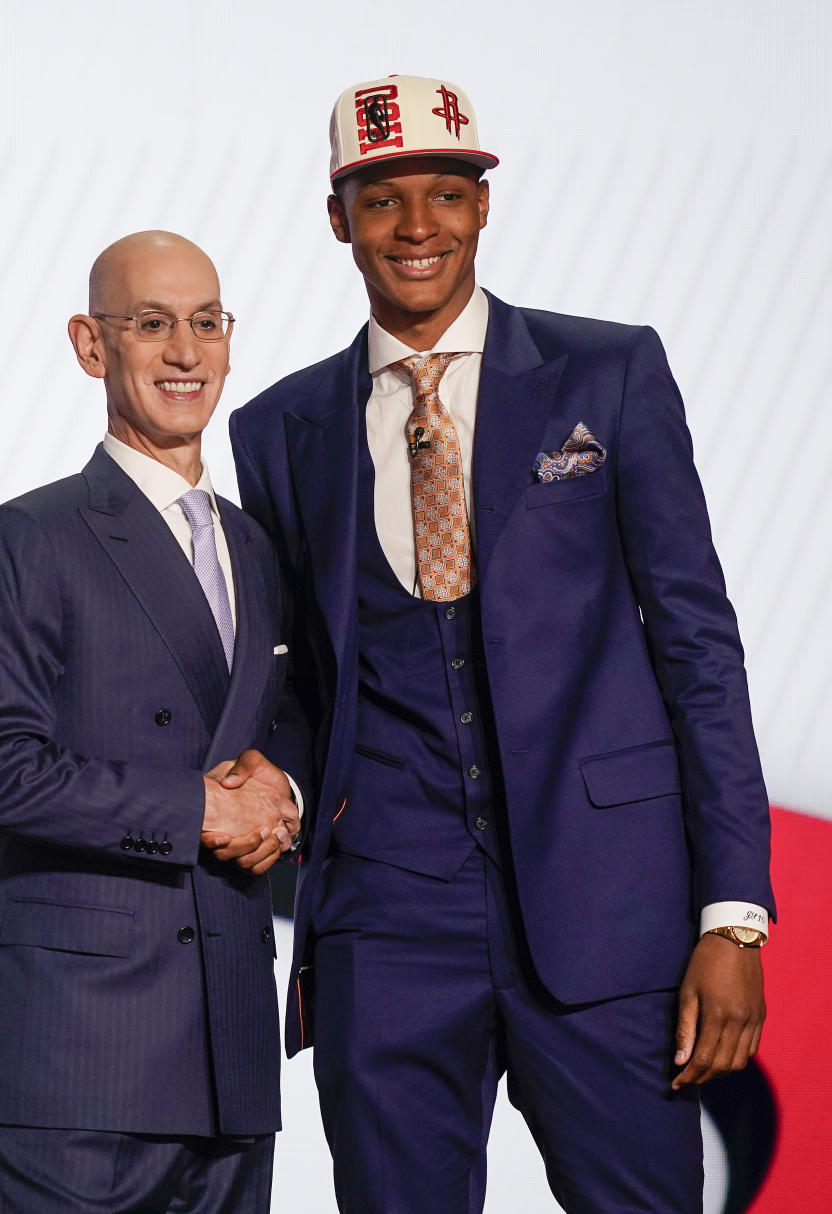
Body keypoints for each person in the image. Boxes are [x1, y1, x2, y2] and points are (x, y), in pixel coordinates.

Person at [230, 76, 775, 1213]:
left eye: (444, 194)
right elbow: (303, 671)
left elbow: (698, 649)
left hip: (607, 908)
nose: (416, 227)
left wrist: (733, 913)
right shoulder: (280, 427)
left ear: (485, 206)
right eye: (382, 201)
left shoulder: (609, 373)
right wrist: (265, 771)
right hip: (387, 918)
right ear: (339, 219)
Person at [0, 230, 307, 1214]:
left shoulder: (260, 548)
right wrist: (194, 809)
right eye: (151, 324)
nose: (184, 352)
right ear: (90, 344)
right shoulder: (26, 535)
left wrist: (287, 790)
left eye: (205, 323)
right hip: (78, 1050)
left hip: (230, 1044)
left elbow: (291, 725)